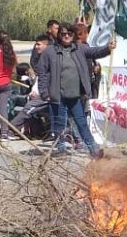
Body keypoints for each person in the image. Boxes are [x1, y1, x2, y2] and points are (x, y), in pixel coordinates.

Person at [36, 22, 111, 158]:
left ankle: (93, 148)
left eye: (69, 33)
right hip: (57, 95)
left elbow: (95, 51)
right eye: (63, 33)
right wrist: (44, 92)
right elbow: (41, 72)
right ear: (59, 35)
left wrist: (108, 48)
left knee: (82, 123)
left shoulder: (80, 49)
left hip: (75, 95)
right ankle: (61, 148)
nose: (66, 36)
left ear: (73, 35)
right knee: (59, 123)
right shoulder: (50, 51)